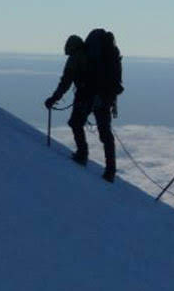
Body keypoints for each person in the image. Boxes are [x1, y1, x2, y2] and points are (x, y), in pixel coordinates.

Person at [44, 29, 123, 182]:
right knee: (105, 133)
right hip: (104, 96)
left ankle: (82, 154)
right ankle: (110, 170)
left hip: (86, 96)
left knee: (75, 123)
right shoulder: (98, 57)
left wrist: (54, 98)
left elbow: (66, 82)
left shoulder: (76, 57)